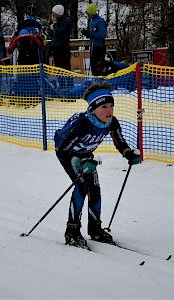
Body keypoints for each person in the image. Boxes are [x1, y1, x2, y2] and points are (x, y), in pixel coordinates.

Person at [54, 81, 141, 249]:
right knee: (81, 185)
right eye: (104, 107)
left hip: (86, 156)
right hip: (68, 154)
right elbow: (63, 150)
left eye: (111, 106)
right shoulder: (82, 124)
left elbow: (120, 142)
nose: (109, 111)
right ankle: (72, 231)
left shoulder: (111, 122)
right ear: (93, 109)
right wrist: (78, 162)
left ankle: (95, 228)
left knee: (94, 189)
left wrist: (129, 154)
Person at [82, 3, 107, 76]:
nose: (87, 14)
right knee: (93, 65)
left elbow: (102, 34)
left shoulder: (100, 21)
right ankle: (96, 80)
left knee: (98, 65)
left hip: (99, 46)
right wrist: (87, 33)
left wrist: (92, 33)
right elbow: (92, 34)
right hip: (93, 46)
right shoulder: (92, 21)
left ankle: (100, 80)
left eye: (88, 13)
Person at [47, 4, 72, 71]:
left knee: (65, 67)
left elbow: (60, 33)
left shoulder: (66, 22)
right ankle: (60, 80)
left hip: (63, 48)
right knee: (58, 67)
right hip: (56, 49)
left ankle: (68, 81)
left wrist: (55, 24)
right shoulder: (58, 22)